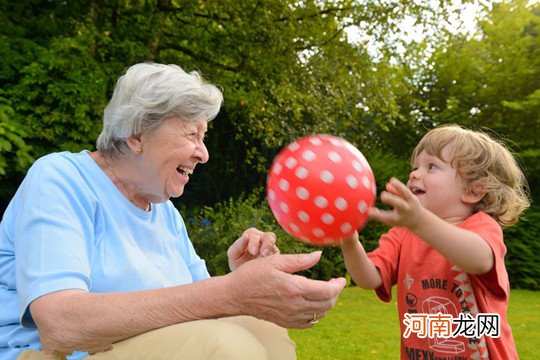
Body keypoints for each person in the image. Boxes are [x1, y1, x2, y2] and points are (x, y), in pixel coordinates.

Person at [0, 62, 346, 360]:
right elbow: (60, 326)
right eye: (192, 134)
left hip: (121, 348)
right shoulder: (61, 179)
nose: (203, 153)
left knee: (263, 332)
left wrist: (238, 281)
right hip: (50, 354)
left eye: (204, 137)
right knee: (224, 348)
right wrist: (230, 292)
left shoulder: (164, 211)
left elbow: (200, 306)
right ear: (137, 135)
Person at [340, 125, 530, 359]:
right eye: (415, 167)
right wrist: (349, 240)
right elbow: (368, 278)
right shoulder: (404, 233)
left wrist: (419, 221)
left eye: (431, 166)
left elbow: (479, 260)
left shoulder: (481, 226)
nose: (414, 174)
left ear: (473, 191)